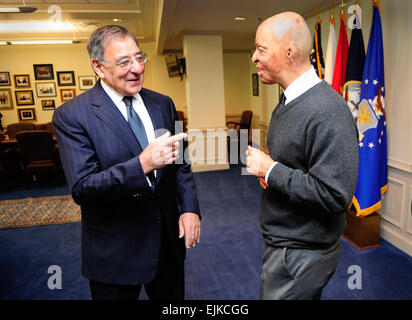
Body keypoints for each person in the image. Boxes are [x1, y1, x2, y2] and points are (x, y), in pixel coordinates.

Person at [52, 25, 201, 300]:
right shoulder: (72, 116)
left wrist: (190, 209)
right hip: (114, 252)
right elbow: (83, 187)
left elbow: (181, 164)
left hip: (167, 244)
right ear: (98, 67)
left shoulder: (163, 104)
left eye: (139, 57)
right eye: (124, 62)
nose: (137, 69)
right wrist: (142, 164)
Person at [246, 12, 358, 300]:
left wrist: (271, 171)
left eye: (261, 49)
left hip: (300, 253)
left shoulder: (328, 110)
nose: (253, 57)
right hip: (286, 244)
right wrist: (272, 175)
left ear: (290, 52)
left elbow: (335, 195)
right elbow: (297, 166)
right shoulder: (287, 101)